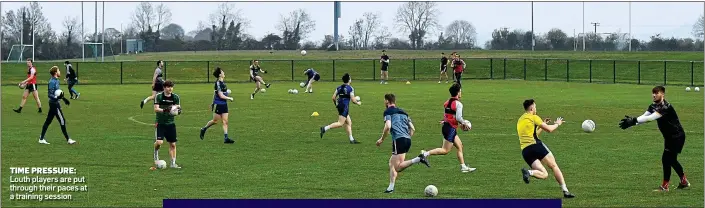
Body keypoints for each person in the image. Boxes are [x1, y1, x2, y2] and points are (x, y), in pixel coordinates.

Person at [619, 86, 690, 191]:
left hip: (677, 136)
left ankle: (666, 186)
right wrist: (632, 123)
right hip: (669, 137)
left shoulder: (665, 107)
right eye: (653, 93)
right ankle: (683, 181)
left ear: (663, 94)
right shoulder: (652, 106)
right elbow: (644, 116)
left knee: (667, 159)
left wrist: (633, 120)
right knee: (671, 159)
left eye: (656, 93)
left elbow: (650, 118)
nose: (654, 95)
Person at [517, 99, 575, 198]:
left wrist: (542, 124)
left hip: (526, 151)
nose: (536, 109)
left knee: (544, 174)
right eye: (535, 107)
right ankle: (565, 191)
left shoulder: (520, 120)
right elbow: (549, 129)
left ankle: (529, 172)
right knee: (554, 166)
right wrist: (558, 123)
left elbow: (533, 134)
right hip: (536, 146)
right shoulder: (534, 117)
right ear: (531, 108)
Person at [376, 93, 429, 193]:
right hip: (407, 139)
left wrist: (381, 139)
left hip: (399, 140)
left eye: (384, 100)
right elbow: (413, 128)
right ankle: (390, 188)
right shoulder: (403, 112)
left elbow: (388, 126)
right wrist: (406, 137)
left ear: (387, 101)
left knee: (397, 167)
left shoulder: (388, 112)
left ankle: (419, 159)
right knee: (392, 163)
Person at [419, 83, 476, 173]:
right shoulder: (458, 104)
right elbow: (458, 117)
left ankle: (463, 167)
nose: (461, 93)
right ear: (457, 92)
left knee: (460, 146)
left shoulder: (447, 102)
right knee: (445, 150)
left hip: (447, 127)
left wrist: (445, 120)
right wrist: (464, 123)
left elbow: (447, 115)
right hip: (450, 129)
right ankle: (425, 154)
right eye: (460, 91)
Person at [319, 73, 361, 144]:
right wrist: (358, 103)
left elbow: (333, 98)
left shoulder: (339, 87)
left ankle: (351, 139)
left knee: (348, 122)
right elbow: (353, 100)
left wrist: (337, 105)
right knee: (340, 123)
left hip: (340, 105)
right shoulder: (350, 88)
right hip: (345, 107)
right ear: (349, 80)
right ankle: (325, 128)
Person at [38, 66, 75, 145]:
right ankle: (68, 139)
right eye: (58, 70)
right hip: (54, 104)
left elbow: (58, 93)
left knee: (48, 121)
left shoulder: (56, 81)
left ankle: (41, 139)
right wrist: (56, 97)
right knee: (62, 120)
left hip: (54, 103)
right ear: (55, 73)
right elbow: (50, 94)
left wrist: (64, 99)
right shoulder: (52, 82)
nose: (59, 72)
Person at [200, 67, 235, 144]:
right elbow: (220, 95)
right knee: (215, 121)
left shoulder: (222, 83)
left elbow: (216, 93)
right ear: (220, 74)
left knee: (225, 121)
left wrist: (227, 92)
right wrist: (230, 98)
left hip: (224, 104)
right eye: (222, 72)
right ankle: (204, 129)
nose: (223, 73)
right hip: (219, 104)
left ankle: (226, 138)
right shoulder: (218, 83)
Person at [153, 80, 182, 169]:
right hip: (160, 123)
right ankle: (156, 153)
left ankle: (173, 163)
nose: (170, 89)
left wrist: (178, 111)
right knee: (159, 142)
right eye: (168, 87)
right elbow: (156, 109)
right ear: (164, 88)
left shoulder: (175, 97)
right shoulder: (159, 96)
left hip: (170, 123)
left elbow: (178, 107)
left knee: (173, 144)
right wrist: (165, 110)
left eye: (171, 87)